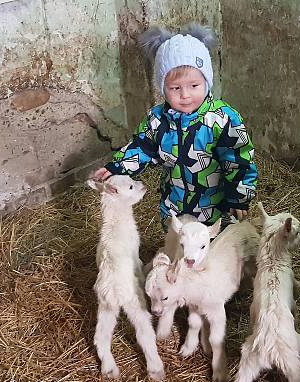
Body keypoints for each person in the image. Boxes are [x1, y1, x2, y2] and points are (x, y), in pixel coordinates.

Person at [92, 23, 258, 231]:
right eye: (175, 88)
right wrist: (116, 168)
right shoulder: (157, 119)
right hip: (174, 208)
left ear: (207, 82)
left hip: (215, 210)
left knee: (213, 256)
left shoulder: (222, 119)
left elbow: (239, 159)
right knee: (179, 252)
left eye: (194, 86)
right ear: (163, 88)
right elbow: (141, 148)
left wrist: (238, 197)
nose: (185, 95)